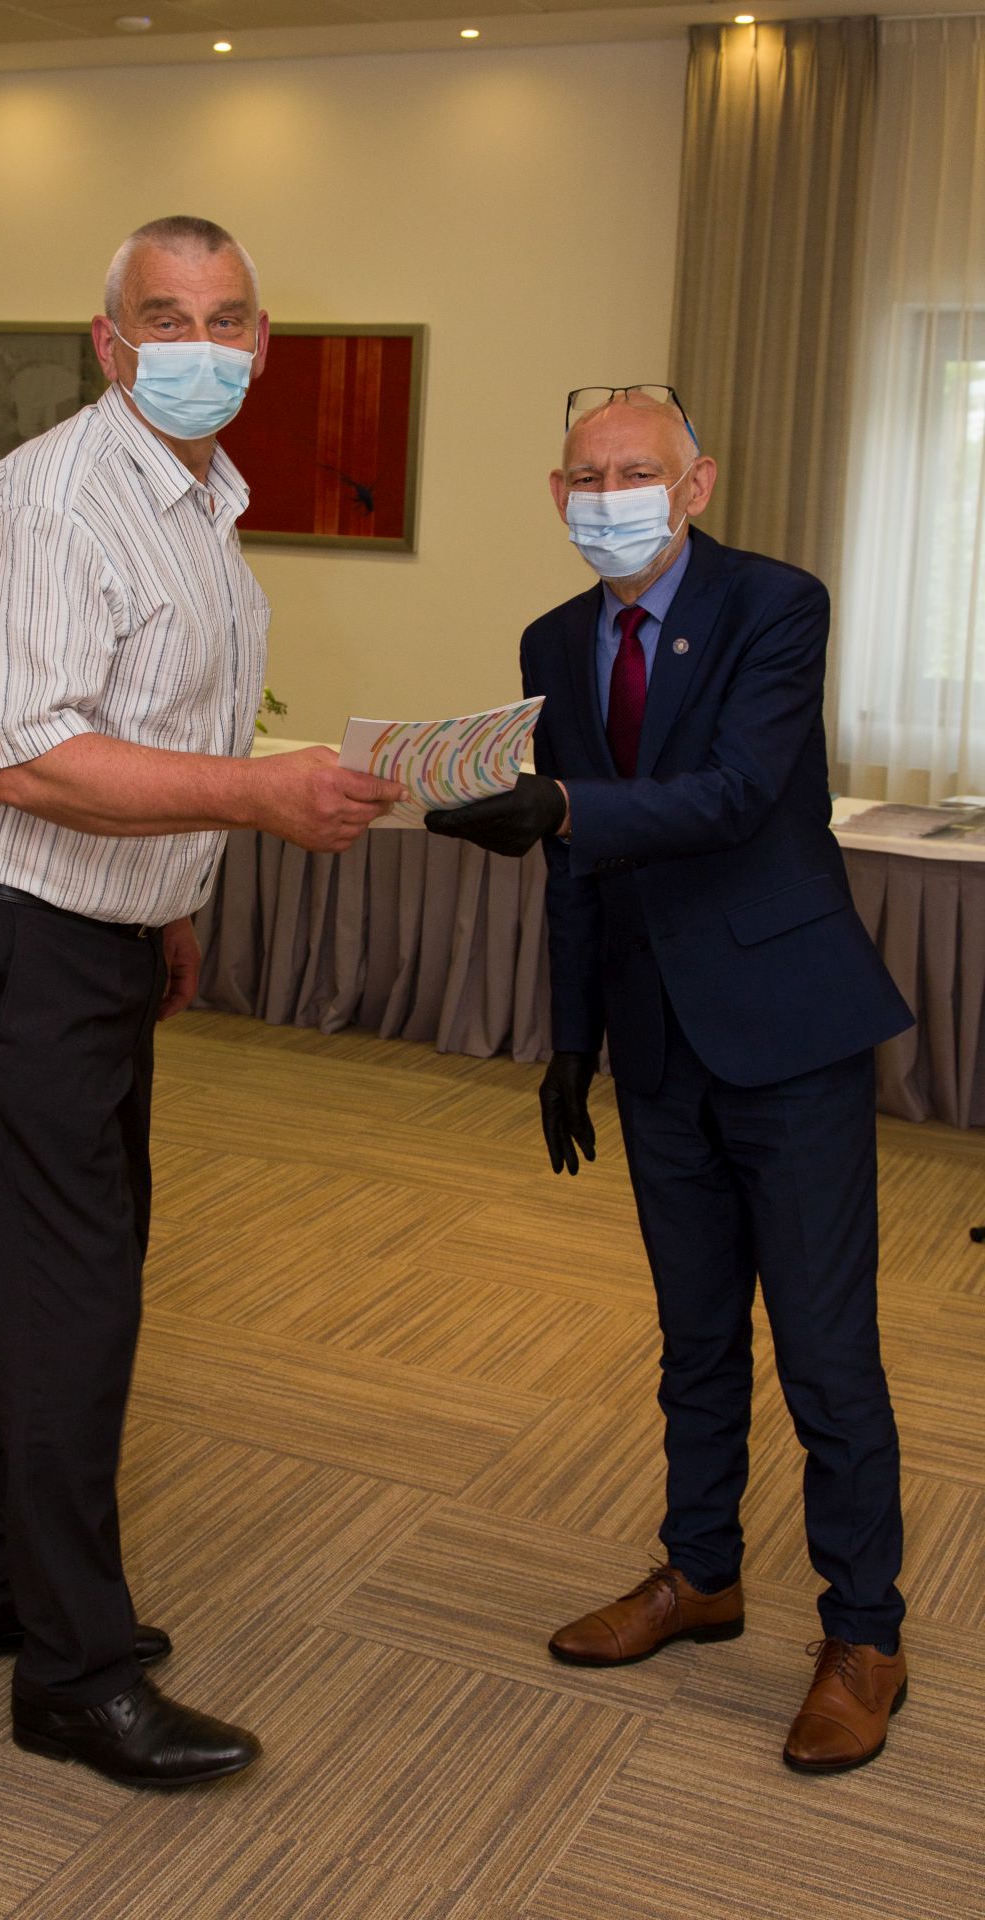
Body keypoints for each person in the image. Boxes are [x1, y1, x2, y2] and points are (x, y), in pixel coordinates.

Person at [0, 215, 402, 1790]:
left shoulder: (203, 499)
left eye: (227, 317)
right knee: (75, 1300)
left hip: (94, 928)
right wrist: (256, 799)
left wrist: (167, 903)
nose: (199, 345)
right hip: (5, 937)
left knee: (65, 1278)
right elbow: (29, 757)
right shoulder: (56, 500)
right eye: (164, 318)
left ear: (262, 342)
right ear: (108, 342)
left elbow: (149, 719)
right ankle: (74, 1673)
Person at [426, 385, 913, 1773]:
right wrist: (570, 1040)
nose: (609, 497)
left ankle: (865, 1634)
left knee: (825, 1355)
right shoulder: (552, 640)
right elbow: (577, 869)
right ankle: (700, 1573)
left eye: (636, 471)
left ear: (696, 484)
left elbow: (739, 793)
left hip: (788, 1032)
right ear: (557, 493)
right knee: (694, 1338)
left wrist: (564, 804)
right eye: (585, 476)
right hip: (654, 1043)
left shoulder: (777, 605)